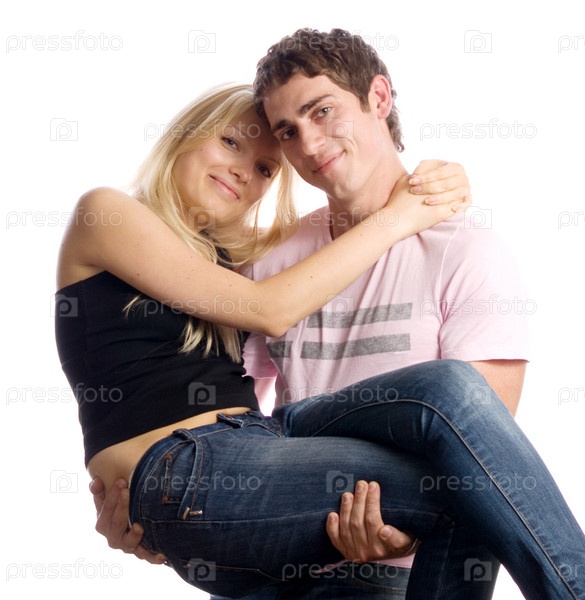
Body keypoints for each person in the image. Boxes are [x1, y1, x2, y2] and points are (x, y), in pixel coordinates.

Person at [64, 35, 585, 600]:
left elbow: (485, 437)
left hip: (294, 486)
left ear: (379, 98)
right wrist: (401, 213)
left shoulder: (462, 249)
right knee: (479, 488)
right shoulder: (124, 217)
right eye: (266, 135)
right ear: (186, 132)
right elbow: (269, 310)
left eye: (264, 166)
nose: (305, 145)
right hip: (223, 473)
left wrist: (430, 192)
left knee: (470, 451)